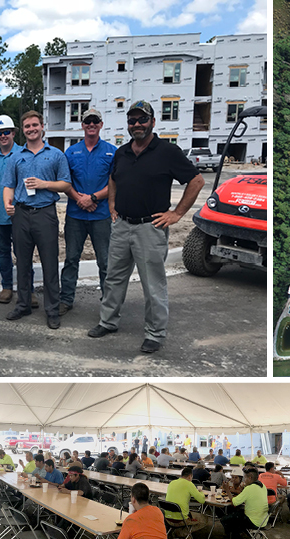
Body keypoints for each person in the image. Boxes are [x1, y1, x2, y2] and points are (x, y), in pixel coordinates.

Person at [86, 100, 205, 353]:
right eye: (132, 120)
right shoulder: (122, 152)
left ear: (153, 121)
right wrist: (112, 205)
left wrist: (177, 213)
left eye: (142, 119)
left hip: (150, 228)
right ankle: (108, 321)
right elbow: (113, 178)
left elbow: (196, 180)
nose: (137, 124)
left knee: (153, 284)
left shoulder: (167, 152)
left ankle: (155, 333)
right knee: (114, 278)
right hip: (121, 226)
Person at [3, 111, 72, 326]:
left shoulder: (56, 155)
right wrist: (7, 203)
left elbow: (66, 184)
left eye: (35, 125)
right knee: (22, 263)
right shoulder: (16, 156)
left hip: (45, 213)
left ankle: (52, 309)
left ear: (43, 126)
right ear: (22, 130)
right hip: (21, 214)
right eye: (27, 126)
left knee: (50, 263)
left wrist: (44, 184)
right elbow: (8, 185)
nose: (31, 129)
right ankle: (23, 304)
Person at [61, 108, 115, 314]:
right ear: (82, 125)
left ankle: (108, 303)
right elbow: (65, 182)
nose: (91, 124)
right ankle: (66, 299)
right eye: (87, 121)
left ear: (101, 124)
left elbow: (115, 184)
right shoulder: (71, 152)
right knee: (71, 259)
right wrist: (80, 200)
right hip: (75, 215)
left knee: (105, 261)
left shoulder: (112, 152)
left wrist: (92, 198)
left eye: (95, 121)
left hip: (101, 216)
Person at [0, 114, 32, 306]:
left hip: (21, 214)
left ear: (13, 133)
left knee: (24, 253)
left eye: (6, 132)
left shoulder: (25, 154)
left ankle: (28, 289)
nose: (3, 136)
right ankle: (7, 286)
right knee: (3, 252)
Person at [222, 470, 269, 539]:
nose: (244, 480)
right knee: (236, 513)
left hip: (254, 521)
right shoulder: (262, 486)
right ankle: (240, 535)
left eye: (245, 478)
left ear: (250, 478)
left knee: (225, 519)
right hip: (264, 519)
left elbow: (234, 502)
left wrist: (227, 490)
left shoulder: (249, 488)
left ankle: (244, 537)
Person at [164, 467, 208, 534]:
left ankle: (178, 532)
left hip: (167, 518)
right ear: (190, 476)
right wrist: (201, 492)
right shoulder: (189, 484)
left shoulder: (172, 483)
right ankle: (181, 532)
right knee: (204, 519)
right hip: (181, 519)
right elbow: (202, 500)